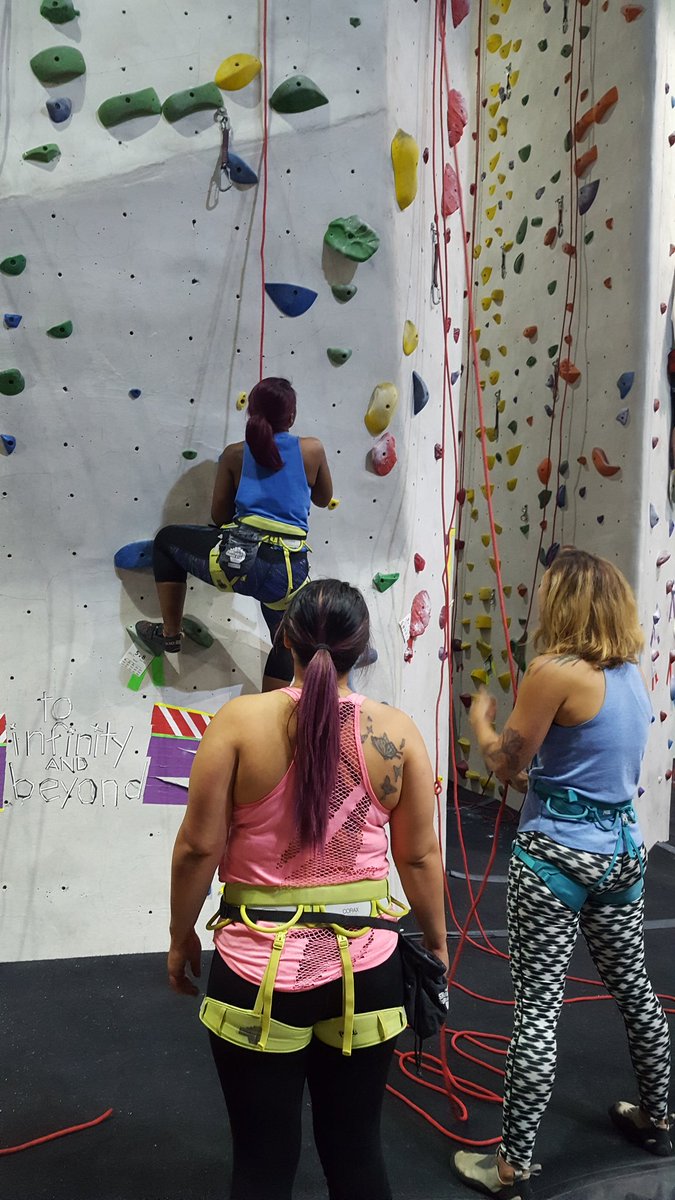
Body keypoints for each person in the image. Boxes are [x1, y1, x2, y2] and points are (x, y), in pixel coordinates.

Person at [167, 578, 448, 1200]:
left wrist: (180, 934)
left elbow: (196, 848)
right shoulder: (395, 733)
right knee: (356, 1153)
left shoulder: (239, 723)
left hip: (256, 969)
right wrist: (435, 941)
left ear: (284, 638)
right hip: (369, 969)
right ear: (362, 649)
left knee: (263, 1163)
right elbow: (421, 855)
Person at [453, 548, 673, 1199]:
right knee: (633, 987)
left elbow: (505, 765)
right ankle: (657, 1118)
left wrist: (479, 719)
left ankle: (511, 1165)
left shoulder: (553, 671)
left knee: (538, 1008)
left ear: (563, 603)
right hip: (620, 857)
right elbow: (588, 765)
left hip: (554, 862)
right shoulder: (631, 676)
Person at [132, 377, 333, 689]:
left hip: (236, 564)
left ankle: (170, 636)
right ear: (291, 416)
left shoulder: (235, 454)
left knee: (166, 541)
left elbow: (219, 515)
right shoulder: (312, 450)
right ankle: (269, 715)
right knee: (283, 640)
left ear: (250, 412)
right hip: (288, 575)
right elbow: (322, 498)